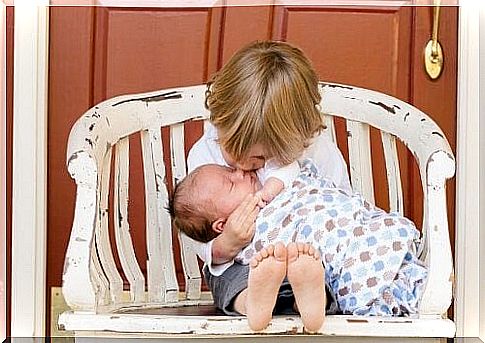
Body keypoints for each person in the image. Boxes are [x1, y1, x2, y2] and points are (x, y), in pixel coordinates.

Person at [183, 40, 351, 329]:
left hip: (308, 257)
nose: (245, 167)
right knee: (222, 274)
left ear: (296, 140)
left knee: (326, 274)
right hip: (250, 266)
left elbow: (343, 208)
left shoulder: (318, 152)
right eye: (232, 152)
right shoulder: (204, 154)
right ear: (219, 121)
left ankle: (309, 300)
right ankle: (251, 301)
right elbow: (199, 230)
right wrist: (227, 244)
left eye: (261, 157)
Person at [170, 159, 428, 324]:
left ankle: (308, 298)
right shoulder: (203, 164)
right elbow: (205, 242)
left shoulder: (268, 172)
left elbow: (298, 174)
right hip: (279, 260)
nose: (240, 172)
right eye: (230, 181)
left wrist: (270, 189)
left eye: (230, 171)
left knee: (301, 261)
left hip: (336, 242)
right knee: (243, 268)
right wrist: (227, 243)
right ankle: (264, 301)